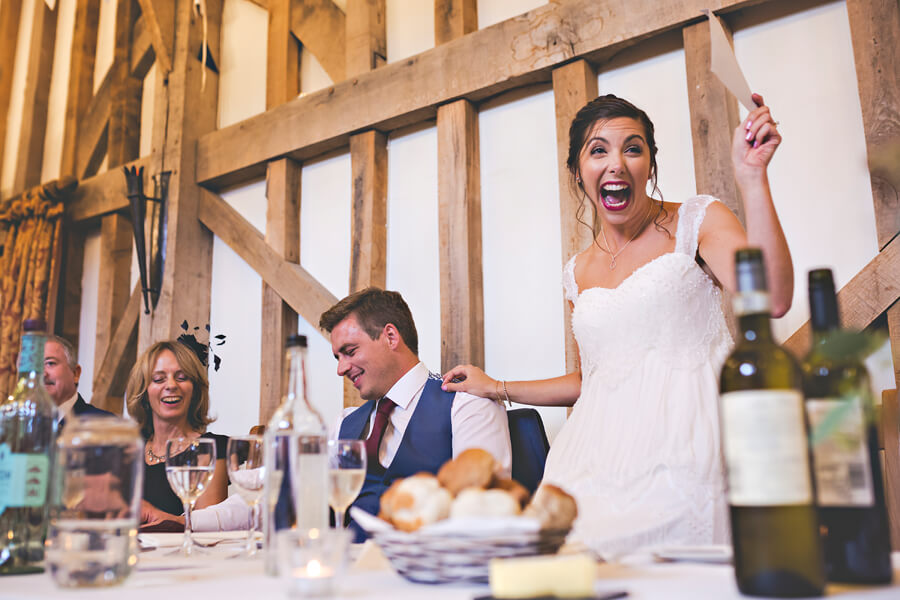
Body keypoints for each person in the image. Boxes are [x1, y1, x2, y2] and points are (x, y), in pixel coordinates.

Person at [442, 93, 792, 555]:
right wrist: (497, 386)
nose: (616, 163)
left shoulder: (697, 221)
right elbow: (591, 379)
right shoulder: (577, 271)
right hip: (592, 457)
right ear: (577, 171)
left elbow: (773, 299)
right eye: (598, 150)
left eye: (632, 148)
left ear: (649, 162)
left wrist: (752, 178)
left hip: (690, 440)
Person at [320, 287, 512, 540]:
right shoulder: (344, 423)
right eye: (337, 357)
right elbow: (306, 499)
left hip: (432, 572)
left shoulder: (467, 405)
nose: (341, 368)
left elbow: (481, 514)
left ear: (390, 336)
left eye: (350, 351)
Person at [125, 340, 233, 529]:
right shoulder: (128, 449)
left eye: (182, 377)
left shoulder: (209, 448)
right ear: (144, 393)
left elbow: (207, 533)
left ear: (195, 390)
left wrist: (156, 516)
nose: (171, 385)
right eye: (159, 379)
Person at [43, 335, 112, 426]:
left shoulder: (107, 427)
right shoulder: (20, 425)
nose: (41, 374)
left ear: (75, 373)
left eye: (50, 363)